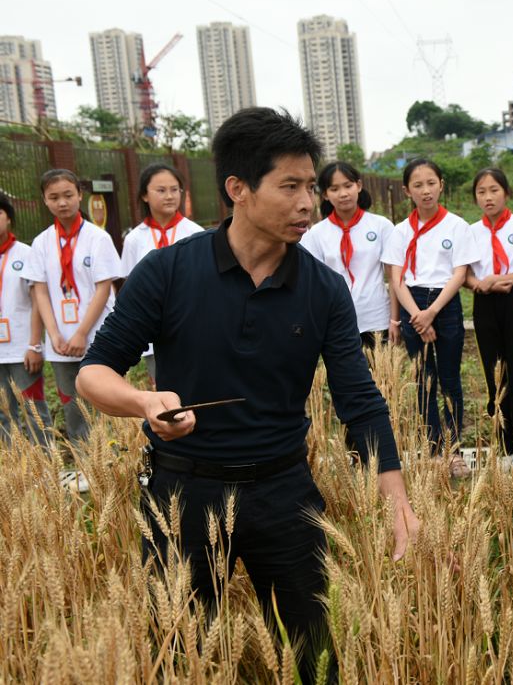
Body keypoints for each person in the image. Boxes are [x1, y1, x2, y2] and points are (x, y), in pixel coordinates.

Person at [76, 107, 418, 682]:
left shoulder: (324, 290)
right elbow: (94, 373)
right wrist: (145, 403)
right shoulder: (166, 272)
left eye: (311, 186)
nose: (309, 202)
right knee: (183, 657)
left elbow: (358, 400)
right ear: (238, 188)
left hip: (284, 492)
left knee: (315, 657)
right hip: (181, 490)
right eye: (291, 186)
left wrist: (397, 502)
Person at [384, 159, 477, 475]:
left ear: (441, 184)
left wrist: (432, 312)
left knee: (450, 379)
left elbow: (460, 273)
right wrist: (416, 316)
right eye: (418, 185)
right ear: (407, 190)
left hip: (445, 305)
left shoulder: (457, 225)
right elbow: (396, 278)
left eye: (431, 183)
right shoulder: (399, 231)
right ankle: (435, 449)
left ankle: (454, 451)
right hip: (413, 304)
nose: (426, 191)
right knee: (424, 380)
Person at [26, 169, 120, 445]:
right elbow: (40, 291)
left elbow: (104, 288)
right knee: (71, 403)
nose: (62, 202)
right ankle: (84, 460)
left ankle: (112, 459)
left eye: (68, 195)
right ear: (44, 200)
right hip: (61, 343)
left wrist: (81, 333)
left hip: (96, 335)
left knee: (105, 400)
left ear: (80, 195)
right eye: (53, 197)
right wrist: (54, 335)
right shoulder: (41, 242)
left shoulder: (97, 238)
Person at [465, 168, 513, 457]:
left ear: (506, 192)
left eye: (494, 190)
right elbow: (464, 273)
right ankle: (503, 441)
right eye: (482, 192)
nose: (488, 197)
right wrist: (479, 284)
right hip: (485, 303)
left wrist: (507, 281)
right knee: (494, 371)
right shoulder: (471, 232)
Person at [120, 163, 204, 383]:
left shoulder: (196, 233)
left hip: (191, 326)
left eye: (174, 189)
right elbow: (131, 287)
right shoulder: (134, 239)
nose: (169, 196)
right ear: (144, 196)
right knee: (163, 391)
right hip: (153, 328)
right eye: (161, 190)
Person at [301, 161, 397, 350]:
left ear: (359, 186)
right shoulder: (316, 234)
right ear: (326, 194)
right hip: (336, 320)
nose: (343, 193)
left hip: (376, 317)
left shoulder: (381, 226)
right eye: (334, 188)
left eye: (348, 185)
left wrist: (395, 319)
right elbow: (313, 283)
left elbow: (394, 276)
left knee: (383, 377)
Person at [0, 192, 51, 445]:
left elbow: (37, 302)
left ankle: (45, 467)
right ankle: (13, 473)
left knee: (35, 412)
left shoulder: (26, 253)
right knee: (3, 415)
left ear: (9, 218)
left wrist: (34, 344)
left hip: (22, 351)